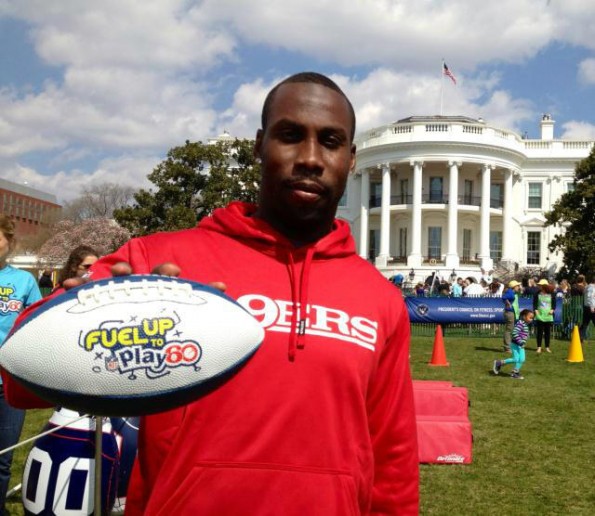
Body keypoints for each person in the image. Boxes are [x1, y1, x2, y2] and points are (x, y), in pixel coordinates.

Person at [3, 73, 419, 515]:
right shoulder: (160, 262)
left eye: (330, 141)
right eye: (291, 135)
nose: (311, 158)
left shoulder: (380, 298)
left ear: (351, 159)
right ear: (259, 145)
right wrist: (91, 330)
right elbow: (20, 379)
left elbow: (392, 463)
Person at [0, 215, 42, 513]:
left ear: (9, 242)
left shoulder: (24, 281)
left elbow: (36, 327)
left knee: (3, 457)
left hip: (8, 384)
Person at [493, 309, 534, 380]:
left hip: (520, 345)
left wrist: (523, 341)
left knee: (520, 359)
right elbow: (515, 333)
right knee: (518, 359)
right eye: (530, 317)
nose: (531, 319)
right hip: (516, 344)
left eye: (532, 318)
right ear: (524, 317)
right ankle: (513, 372)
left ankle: (510, 369)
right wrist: (520, 342)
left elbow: (523, 335)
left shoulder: (525, 325)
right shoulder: (520, 323)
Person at [533, 279, 556, 353]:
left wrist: (552, 309)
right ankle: (539, 347)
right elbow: (534, 303)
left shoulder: (552, 294)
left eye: (541, 285)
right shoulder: (537, 293)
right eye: (539, 285)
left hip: (548, 315)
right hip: (540, 315)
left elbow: (554, 303)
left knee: (547, 332)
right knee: (539, 332)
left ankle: (547, 347)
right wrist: (535, 310)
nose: (539, 286)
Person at [502, 280, 521, 352]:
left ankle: (508, 346)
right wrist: (507, 303)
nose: (518, 287)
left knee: (509, 329)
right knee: (509, 330)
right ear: (514, 287)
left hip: (510, 312)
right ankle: (507, 347)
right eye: (517, 286)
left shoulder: (511, 292)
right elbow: (504, 297)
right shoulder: (510, 292)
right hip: (509, 313)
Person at [579, 275, 595, 343]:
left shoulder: (587, 287)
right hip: (591, 308)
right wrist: (591, 306)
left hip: (586, 307)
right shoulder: (591, 288)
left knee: (585, 323)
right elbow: (589, 297)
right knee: (585, 323)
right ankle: (580, 337)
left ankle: (580, 337)